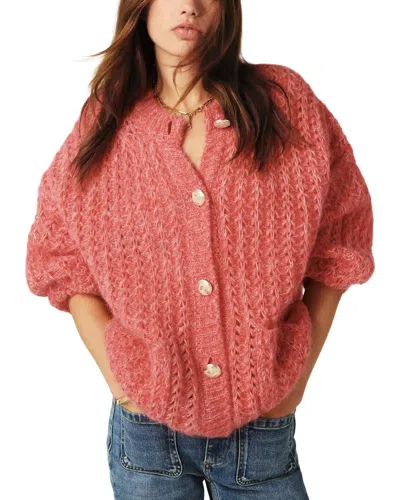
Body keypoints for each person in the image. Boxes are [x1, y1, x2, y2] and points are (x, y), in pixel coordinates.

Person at [25, 1, 375, 498]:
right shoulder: (107, 120)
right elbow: (59, 254)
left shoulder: (283, 103)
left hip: (262, 431)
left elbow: (341, 236)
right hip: (147, 438)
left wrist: (296, 378)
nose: (189, 6)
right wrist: (121, 379)